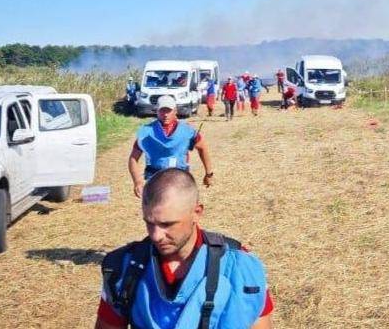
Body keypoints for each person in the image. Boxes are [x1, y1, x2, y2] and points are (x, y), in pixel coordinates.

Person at [95, 168, 274, 329]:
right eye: (149, 223)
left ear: (196, 213)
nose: (156, 235)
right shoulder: (124, 268)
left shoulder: (240, 267)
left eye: (167, 224)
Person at [129, 96, 213, 198]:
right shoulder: (147, 132)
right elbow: (133, 158)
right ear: (157, 111)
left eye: (168, 110)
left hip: (180, 180)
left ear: (175, 111)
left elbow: (202, 148)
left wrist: (209, 174)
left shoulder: (187, 131)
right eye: (162, 110)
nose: (165, 114)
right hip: (155, 180)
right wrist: (137, 181)